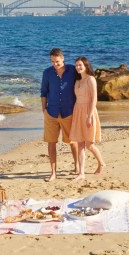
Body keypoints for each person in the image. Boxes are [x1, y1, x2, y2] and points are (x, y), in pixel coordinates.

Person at [40, 48, 78, 182]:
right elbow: (44, 92)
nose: (54, 64)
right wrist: (44, 109)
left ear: (63, 58)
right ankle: (53, 172)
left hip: (69, 112)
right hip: (51, 113)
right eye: (52, 62)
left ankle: (77, 166)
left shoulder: (72, 70)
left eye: (57, 61)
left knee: (73, 142)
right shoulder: (47, 73)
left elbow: (84, 80)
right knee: (51, 142)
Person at [70, 56, 106, 181]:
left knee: (89, 144)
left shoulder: (91, 79)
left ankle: (101, 163)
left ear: (86, 66)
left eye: (80, 65)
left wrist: (89, 116)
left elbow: (94, 98)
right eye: (76, 65)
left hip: (88, 112)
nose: (78, 67)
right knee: (80, 144)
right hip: (78, 111)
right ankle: (81, 173)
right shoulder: (77, 81)